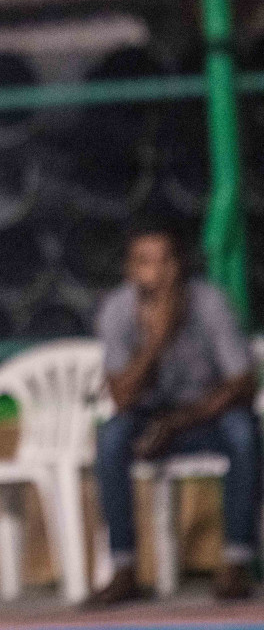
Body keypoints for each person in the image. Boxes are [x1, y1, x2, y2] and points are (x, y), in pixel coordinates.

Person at [88, 215, 260, 605]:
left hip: (204, 415)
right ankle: (123, 567)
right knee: (110, 436)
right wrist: (156, 340)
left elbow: (242, 383)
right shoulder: (118, 308)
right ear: (131, 269)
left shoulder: (209, 301)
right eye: (145, 262)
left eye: (165, 261)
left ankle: (236, 562)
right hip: (147, 418)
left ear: (180, 263)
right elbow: (121, 398)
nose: (157, 272)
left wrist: (178, 421)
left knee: (244, 432)